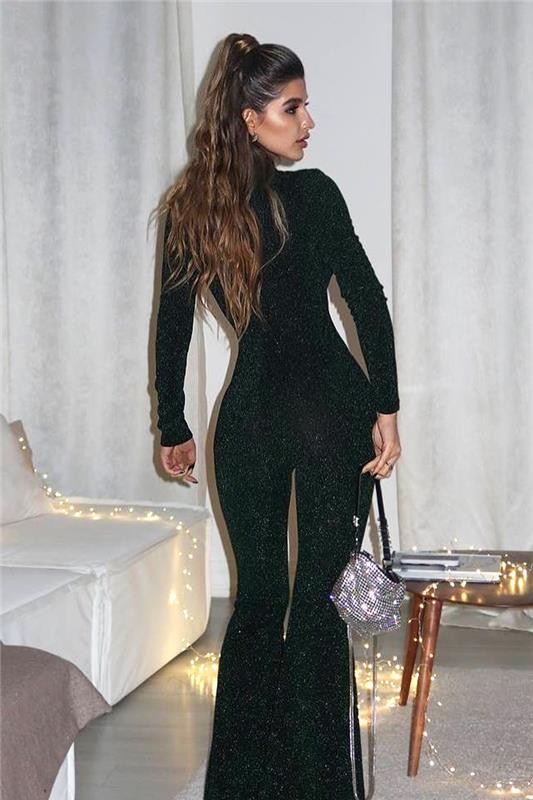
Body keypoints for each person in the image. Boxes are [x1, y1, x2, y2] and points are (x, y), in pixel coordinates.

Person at [154, 32, 402, 800]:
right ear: (249, 118)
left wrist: (173, 426)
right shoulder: (315, 194)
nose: (308, 122)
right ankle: (321, 787)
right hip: (331, 411)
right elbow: (364, 300)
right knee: (318, 606)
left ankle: (242, 786)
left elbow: (169, 325)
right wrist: (386, 406)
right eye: (292, 107)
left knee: (258, 603)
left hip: (250, 420)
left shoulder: (193, 210)